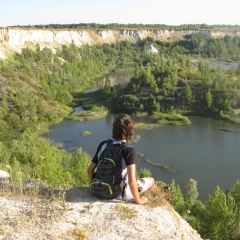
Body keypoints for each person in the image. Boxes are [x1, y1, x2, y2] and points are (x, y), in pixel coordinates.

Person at [87, 114, 155, 205]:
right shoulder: (129, 150)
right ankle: (157, 194)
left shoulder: (104, 145)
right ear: (130, 132)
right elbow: (131, 182)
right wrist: (138, 200)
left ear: (113, 130)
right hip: (116, 193)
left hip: (97, 189)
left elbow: (89, 171)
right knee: (151, 180)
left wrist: (94, 189)